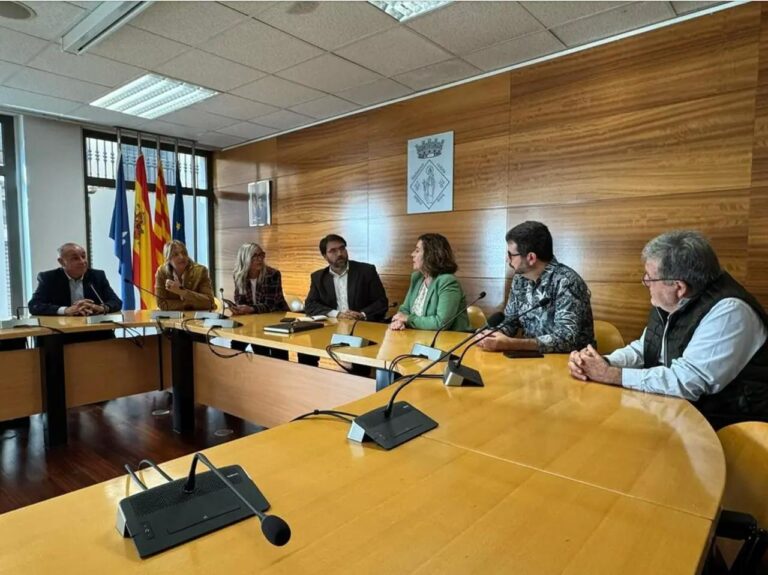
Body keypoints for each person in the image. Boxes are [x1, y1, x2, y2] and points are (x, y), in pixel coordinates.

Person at [568, 230, 768, 429]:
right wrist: (602, 361)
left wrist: (611, 375)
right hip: (679, 413)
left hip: (731, 428)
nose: (645, 283)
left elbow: (687, 381)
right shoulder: (672, 301)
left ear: (679, 287)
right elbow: (645, 347)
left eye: (650, 278)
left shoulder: (730, 313)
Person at [476, 221, 594, 353]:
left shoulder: (567, 281)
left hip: (569, 364)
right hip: (532, 361)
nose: (507, 260)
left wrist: (512, 344)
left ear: (531, 257)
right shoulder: (520, 279)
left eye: (511, 255)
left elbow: (566, 339)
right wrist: (491, 335)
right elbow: (511, 320)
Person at [390, 233, 470, 332]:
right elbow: (404, 309)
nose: (412, 254)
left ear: (431, 255)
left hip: (447, 342)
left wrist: (408, 319)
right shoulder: (417, 278)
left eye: (417, 251)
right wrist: (400, 321)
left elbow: (441, 323)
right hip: (416, 338)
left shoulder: (447, 281)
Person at [304, 234, 388, 320]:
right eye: (333, 251)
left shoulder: (366, 271)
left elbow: (381, 302)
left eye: (342, 248)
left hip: (361, 324)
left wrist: (362, 314)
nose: (340, 253)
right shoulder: (318, 277)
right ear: (325, 256)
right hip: (332, 325)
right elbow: (310, 305)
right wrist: (336, 314)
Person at [229, 242, 288, 359]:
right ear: (244, 258)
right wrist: (238, 308)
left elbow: (271, 305)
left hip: (276, 320)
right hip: (253, 320)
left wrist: (250, 308)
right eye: (255, 256)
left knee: (274, 351)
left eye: (261, 255)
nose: (259, 259)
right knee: (236, 343)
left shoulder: (273, 275)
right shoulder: (239, 275)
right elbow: (240, 300)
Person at [28, 242, 121, 316]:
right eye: (75, 258)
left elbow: (116, 302)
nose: (82, 261)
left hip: (94, 329)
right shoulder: (48, 278)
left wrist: (101, 308)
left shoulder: (97, 276)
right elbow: (34, 305)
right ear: (62, 262)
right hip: (62, 332)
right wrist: (66, 310)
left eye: (83, 256)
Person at [155, 240, 215, 311]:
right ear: (168, 259)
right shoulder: (162, 272)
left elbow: (209, 302)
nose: (181, 257)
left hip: (196, 319)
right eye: (176, 254)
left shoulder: (200, 271)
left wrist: (182, 292)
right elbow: (161, 303)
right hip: (171, 319)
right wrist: (189, 304)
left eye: (184, 253)